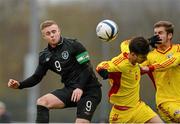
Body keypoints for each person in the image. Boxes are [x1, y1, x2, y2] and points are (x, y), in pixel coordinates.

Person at [7, 20, 102, 123]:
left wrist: (79, 87)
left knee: (81, 122)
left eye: (54, 31)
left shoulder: (74, 45)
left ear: (59, 31)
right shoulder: (45, 56)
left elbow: (87, 68)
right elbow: (36, 77)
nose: (52, 35)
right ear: (44, 37)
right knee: (42, 102)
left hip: (90, 90)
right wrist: (20, 85)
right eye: (48, 33)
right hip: (70, 90)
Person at [96, 37, 163, 123]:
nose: (145, 59)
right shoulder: (120, 64)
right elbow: (101, 66)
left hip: (138, 108)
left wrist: (147, 42)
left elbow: (125, 42)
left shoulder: (129, 48)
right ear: (133, 55)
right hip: (120, 114)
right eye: (143, 57)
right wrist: (102, 71)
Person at [140, 21, 180, 122]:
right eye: (155, 34)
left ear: (169, 35)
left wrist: (150, 68)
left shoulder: (178, 50)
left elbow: (171, 62)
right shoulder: (149, 56)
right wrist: (146, 43)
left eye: (160, 33)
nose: (157, 36)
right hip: (166, 101)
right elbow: (134, 66)